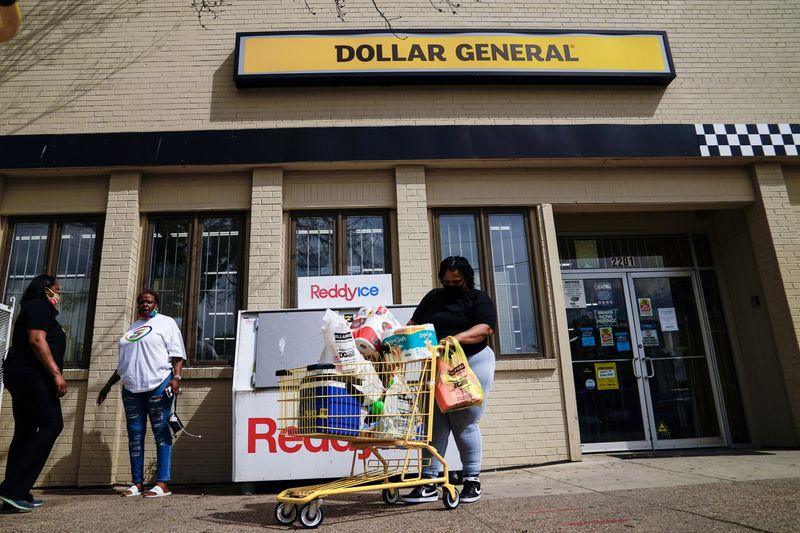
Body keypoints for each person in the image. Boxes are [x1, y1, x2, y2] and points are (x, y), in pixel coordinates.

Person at [402, 256, 497, 505]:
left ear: (467, 278)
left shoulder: (478, 299)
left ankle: (472, 481)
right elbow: (413, 325)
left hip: (471, 362)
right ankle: (429, 482)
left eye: (457, 281)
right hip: (437, 365)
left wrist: (457, 338)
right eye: (447, 281)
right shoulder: (433, 297)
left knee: (464, 422)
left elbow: (486, 329)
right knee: (433, 425)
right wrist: (398, 338)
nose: (452, 284)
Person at [96, 289, 186, 498]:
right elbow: (124, 363)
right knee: (134, 435)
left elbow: (177, 355)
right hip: (131, 387)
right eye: (141, 302)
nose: (144, 304)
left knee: (161, 431)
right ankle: (137, 483)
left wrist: (177, 378)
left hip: (158, 384)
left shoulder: (166, 323)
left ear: (156, 304)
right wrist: (108, 385)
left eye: (149, 301)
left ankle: (162, 483)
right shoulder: (133, 327)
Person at [0, 274, 67, 512]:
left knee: (26, 432)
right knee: (52, 425)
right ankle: (12, 488)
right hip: (33, 377)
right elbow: (37, 340)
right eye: (57, 290)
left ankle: (16, 495)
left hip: (23, 375)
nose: (59, 294)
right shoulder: (39, 306)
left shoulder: (33, 308)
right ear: (46, 290)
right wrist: (56, 374)